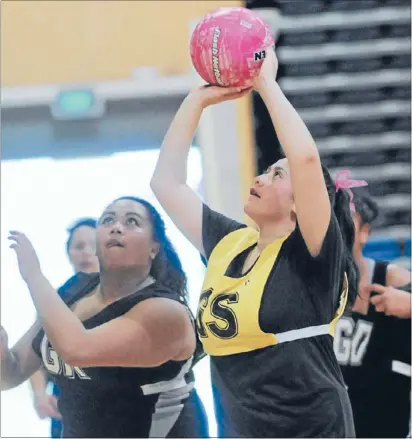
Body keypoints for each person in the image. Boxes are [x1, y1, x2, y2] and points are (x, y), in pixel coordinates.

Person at [151, 48, 359, 437]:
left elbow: (307, 160)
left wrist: (266, 84)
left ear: (302, 206)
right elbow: (165, 183)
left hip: (313, 429)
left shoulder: (312, 253)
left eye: (278, 174)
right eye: (265, 170)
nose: (262, 177)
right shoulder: (229, 243)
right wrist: (196, 100)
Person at [2, 196, 209, 438]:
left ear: (154, 247)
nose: (116, 227)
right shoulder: (74, 289)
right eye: (108, 219)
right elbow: (11, 373)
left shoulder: (165, 311)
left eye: (131, 221)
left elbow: (78, 350)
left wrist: (34, 277)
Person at [333, 190, 411, 438]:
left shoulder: (393, 279)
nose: (338, 229)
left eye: (347, 221)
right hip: (331, 422)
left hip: (385, 422)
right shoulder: (311, 285)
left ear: (364, 232)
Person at [29, 217, 99, 438]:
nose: (86, 252)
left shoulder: (125, 295)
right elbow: (35, 353)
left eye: (93, 246)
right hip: (66, 409)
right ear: (69, 253)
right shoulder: (54, 301)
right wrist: (40, 395)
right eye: (78, 246)